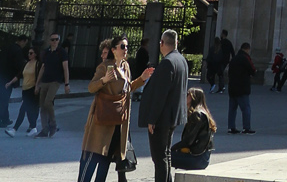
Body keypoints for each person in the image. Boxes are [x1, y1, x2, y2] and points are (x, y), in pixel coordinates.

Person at [79, 32, 132, 182]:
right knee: (91, 158)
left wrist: (142, 79)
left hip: (117, 121)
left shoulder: (126, 66)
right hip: (102, 119)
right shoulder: (104, 67)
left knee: (105, 160)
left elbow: (127, 89)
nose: (125, 49)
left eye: (127, 46)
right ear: (114, 50)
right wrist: (104, 80)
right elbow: (91, 87)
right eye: (122, 46)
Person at [138, 29, 189, 182]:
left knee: (159, 158)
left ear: (162, 43)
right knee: (165, 155)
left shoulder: (167, 62)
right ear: (176, 43)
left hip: (162, 118)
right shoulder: (181, 60)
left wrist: (152, 119)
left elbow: (160, 95)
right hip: (173, 116)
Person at [35, 28, 70, 137]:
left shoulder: (61, 52)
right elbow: (42, 68)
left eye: (56, 39)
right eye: (52, 39)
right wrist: (37, 83)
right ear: (49, 41)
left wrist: (66, 84)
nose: (54, 41)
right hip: (45, 81)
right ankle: (45, 129)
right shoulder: (46, 52)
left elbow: (65, 68)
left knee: (48, 102)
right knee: (42, 106)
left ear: (59, 40)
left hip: (55, 81)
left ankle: (53, 124)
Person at [171, 89, 216, 171]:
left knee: (163, 157)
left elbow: (188, 141)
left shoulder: (196, 114)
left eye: (187, 94)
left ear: (193, 98)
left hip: (197, 158)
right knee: (166, 157)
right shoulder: (202, 112)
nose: (185, 97)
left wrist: (171, 149)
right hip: (203, 157)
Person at [5, 45, 41, 136]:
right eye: (28, 53)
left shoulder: (38, 64)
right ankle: (33, 127)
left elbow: (40, 77)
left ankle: (14, 129)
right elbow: (19, 75)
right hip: (25, 89)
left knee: (23, 109)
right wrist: (10, 83)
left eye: (31, 53)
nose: (29, 55)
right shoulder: (26, 64)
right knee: (29, 110)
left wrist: (37, 87)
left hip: (32, 90)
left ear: (35, 54)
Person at [227, 41, 256, 134]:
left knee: (232, 109)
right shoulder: (246, 58)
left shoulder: (234, 59)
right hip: (242, 87)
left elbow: (229, 72)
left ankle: (231, 128)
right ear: (247, 49)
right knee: (246, 108)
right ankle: (246, 128)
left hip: (232, 87)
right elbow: (252, 70)